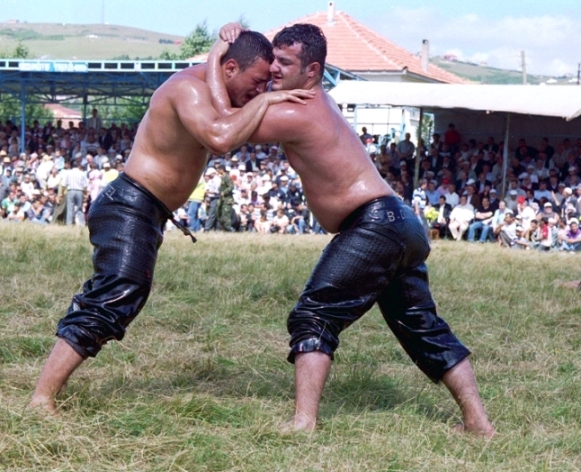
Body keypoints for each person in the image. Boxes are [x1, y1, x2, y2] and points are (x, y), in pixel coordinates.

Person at [210, 23, 493, 436]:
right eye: (273, 61)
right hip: (399, 222)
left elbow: (221, 127)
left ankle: (304, 423)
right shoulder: (312, 103)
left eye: (284, 63)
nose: (273, 70)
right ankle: (479, 424)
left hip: (375, 222)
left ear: (311, 72)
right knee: (422, 325)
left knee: (313, 315)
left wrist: (217, 56)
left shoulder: (295, 111)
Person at [27, 27, 314, 414]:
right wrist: (269, 97)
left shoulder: (216, 93)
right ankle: (41, 398)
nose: (262, 90)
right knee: (116, 292)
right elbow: (221, 138)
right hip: (128, 205)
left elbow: (233, 122)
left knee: (122, 293)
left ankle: (44, 394)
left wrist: (256, 86)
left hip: (144, 210)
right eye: (258, 81)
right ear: (230, 67)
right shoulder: (188, 90)